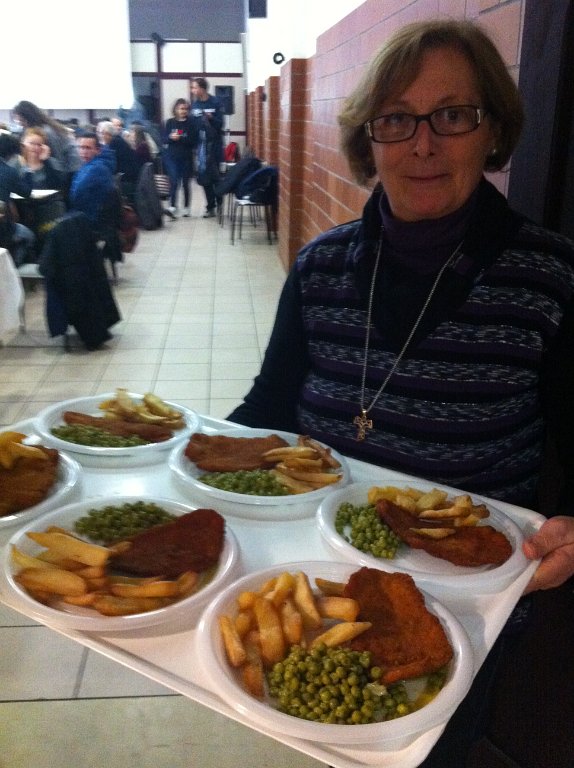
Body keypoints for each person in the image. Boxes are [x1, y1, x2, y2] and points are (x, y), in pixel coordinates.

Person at [228, 19, 574, 767]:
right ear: (369, 139)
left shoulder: (550, 278)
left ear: (492, 131)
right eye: (396, 119)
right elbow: (267, 409)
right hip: (319, 585)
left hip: (466, 607)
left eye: (453, 115)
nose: (423, 144)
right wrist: (185, 459)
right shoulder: (320, 268)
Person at [12, 100, 81, 178]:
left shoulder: (47, 131)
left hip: (71, 170)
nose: (20, 123)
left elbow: (58, 158)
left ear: (28, 118)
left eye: (21, 120)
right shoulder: (44, 129)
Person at [0, 131, 36, 266]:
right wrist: (27, 168)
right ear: (12, 154)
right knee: (29, 236)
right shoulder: (9, 172)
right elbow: (27, 192)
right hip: (4, 230)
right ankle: (13, 266)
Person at [190, 77, 224, 217]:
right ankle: (210, 207)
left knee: (216, 177)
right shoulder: (195, 105)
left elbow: (221, 124)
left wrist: (211, 118)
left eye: (195, 87)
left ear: (202, 89)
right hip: (201, 148)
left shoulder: (215, 102)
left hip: (214, 146)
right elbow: (191, 125)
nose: (192, 90)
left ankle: (219, 202)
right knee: (204, 178)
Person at [163, 98, 196, 216]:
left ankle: (186, 207)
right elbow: (164, 139)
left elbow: (193, 141)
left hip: (186, 157)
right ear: (176, 109)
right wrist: (170, 137)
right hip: (172, 157)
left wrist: (180, 138)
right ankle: (172, 206)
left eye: (186, 109)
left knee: (186, 183)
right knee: (174, 182)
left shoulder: (191, 123)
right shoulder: (169, 122)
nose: (183, 111)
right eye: (181, 109)